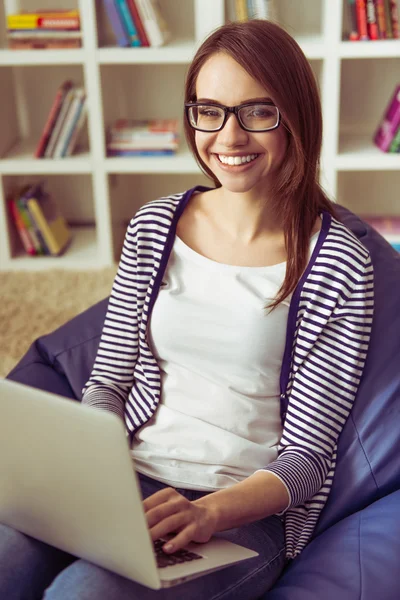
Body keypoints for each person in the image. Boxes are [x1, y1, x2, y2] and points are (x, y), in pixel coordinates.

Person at [0, 18, 374, 600]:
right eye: (210, 110)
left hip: (241, 517)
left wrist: (209, 514)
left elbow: (308, 459)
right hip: (129, 483)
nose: (229, 137)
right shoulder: (154, 225)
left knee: (81, 593)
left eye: (257, 111)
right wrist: (95, 474)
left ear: (296, 116)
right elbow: (108, 381)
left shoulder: (337, 263)